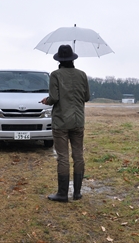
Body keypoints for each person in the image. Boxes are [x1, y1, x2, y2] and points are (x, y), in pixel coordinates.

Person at [40, 45, 90, 202]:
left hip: (61, 121)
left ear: (59, 60)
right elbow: (87, 97)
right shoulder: (82, 75)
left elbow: (54, 97)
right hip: (78, 121)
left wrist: (46, 101)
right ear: (73, 59)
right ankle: (77, 193)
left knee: (62, 157)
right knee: (78, 155)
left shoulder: (55, 75)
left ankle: (62, 193)